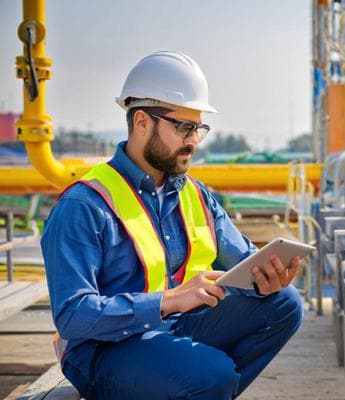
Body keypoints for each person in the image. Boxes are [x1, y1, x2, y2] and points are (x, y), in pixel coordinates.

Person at [41, 51, 304, 399]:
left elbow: (244, 262)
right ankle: (203, 385)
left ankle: (199, 387)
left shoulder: (195, 195)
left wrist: (267, 276)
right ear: (142, 123)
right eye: (184, 127)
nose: (193, 140)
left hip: (174, 329)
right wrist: (166, 301)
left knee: (284, 303)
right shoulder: (84, 206)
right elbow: (73, 315)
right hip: (104, 348)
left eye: (199, 128)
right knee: (214, 375)